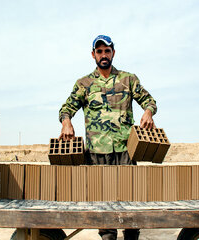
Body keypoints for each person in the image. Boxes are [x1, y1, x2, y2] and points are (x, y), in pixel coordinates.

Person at [59, 35, 157, 240]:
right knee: (103, 202)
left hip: (124, 150)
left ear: (113, 53)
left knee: (131, 200)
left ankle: (131, 236)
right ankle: (107, 237)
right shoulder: (84, 83)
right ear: (93, 54)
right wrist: (66, 122)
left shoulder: (128, 79)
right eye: (99, 51)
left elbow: (149, 100)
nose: (104, 55)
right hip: (97, 153)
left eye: (107, 50)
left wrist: (148, 112)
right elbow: (66, 108)